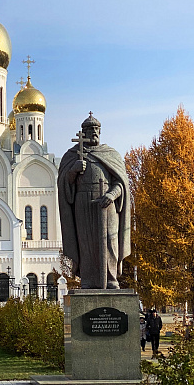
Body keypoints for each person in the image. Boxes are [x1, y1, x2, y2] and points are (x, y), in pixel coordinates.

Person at [58, 113, 131, 289]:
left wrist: (112, 195)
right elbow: (64, 185)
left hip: (107, 203)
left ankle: (111, 279)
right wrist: (73, 172)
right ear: (83, 132)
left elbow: (121, 183)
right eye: (90, 130)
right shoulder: (72, 155)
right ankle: (89, 280)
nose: (94, 133)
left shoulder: (110, 154)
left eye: (97, 130)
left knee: (110, 242)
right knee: (86, 243)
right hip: (83, 204)